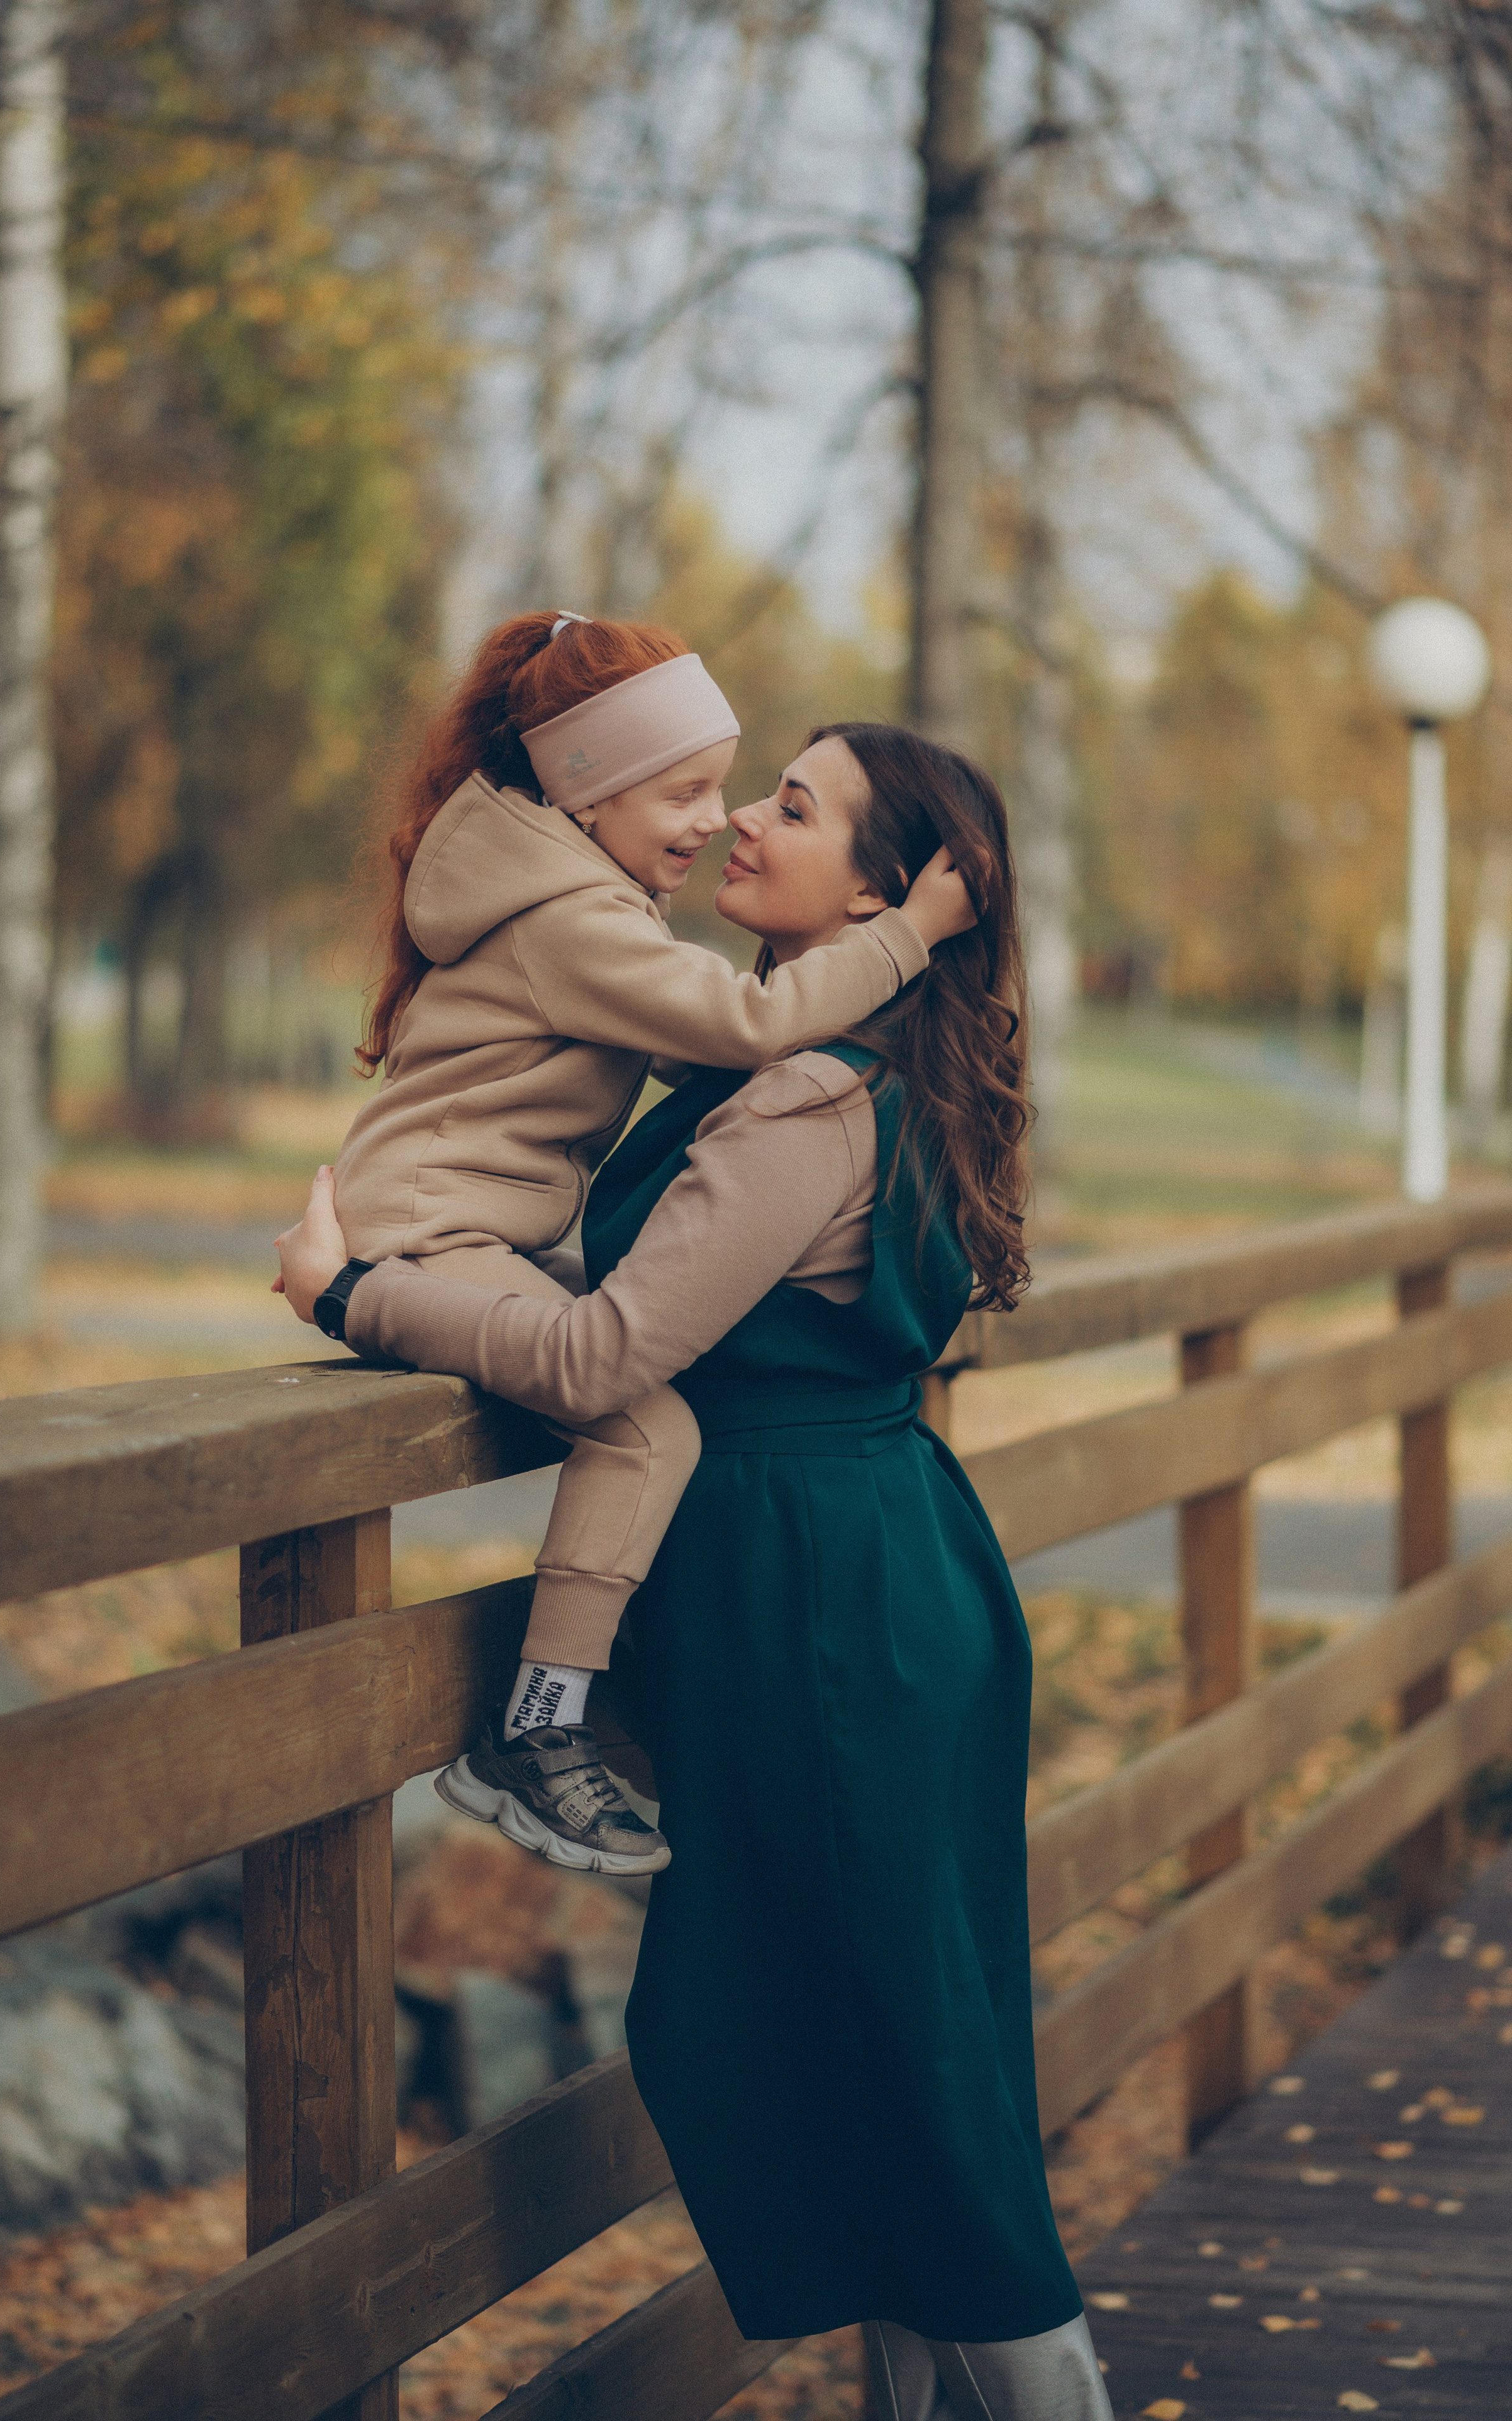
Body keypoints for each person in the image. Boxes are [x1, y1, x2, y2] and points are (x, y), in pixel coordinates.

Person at [276, 719, 1115, 2417]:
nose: (742, 816)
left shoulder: (805, 1095)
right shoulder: (840, 1065)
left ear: (882, 891)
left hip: (815, 1606)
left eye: (791, 808)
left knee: (908, 2073)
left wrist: (354, 1295)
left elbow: (601, 1357)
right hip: (873, 1569)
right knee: (894, 2038)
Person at [290, 611, 972, 1879]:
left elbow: (707, 1047)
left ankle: (552, 1718)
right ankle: (537, 1731)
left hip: (473, 1220)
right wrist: (908, 935)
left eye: (734, 793)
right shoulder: (576, 924)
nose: (716, 819)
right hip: (435, 1228)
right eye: (688, 791)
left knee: (608, 1345)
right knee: (645, 1422)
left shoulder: (576, 906)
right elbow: (753, 1023)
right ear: (590, 789)